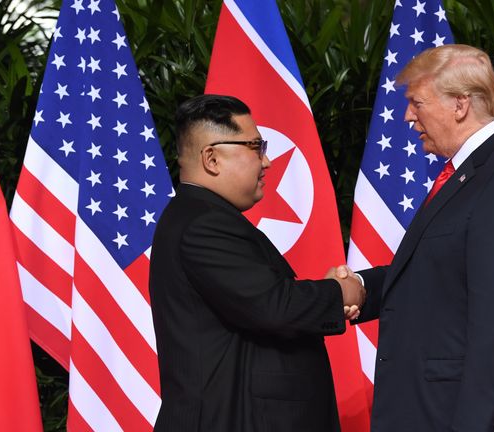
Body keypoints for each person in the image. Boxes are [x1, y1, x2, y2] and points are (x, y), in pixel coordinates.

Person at [347, 44, 494, 431]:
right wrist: (360, 286)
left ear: (460, 104)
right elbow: (437, 275)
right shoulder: (473, 172)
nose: (408, 116)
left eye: (417, 103)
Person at [149, 94, 364, 432]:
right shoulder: (203, 224)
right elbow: (273, 306)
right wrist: (339, 292)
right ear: (212, 158)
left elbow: (261, 300)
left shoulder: (202, 216)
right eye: (256, 147)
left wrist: (338, 291)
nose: (267, 161)